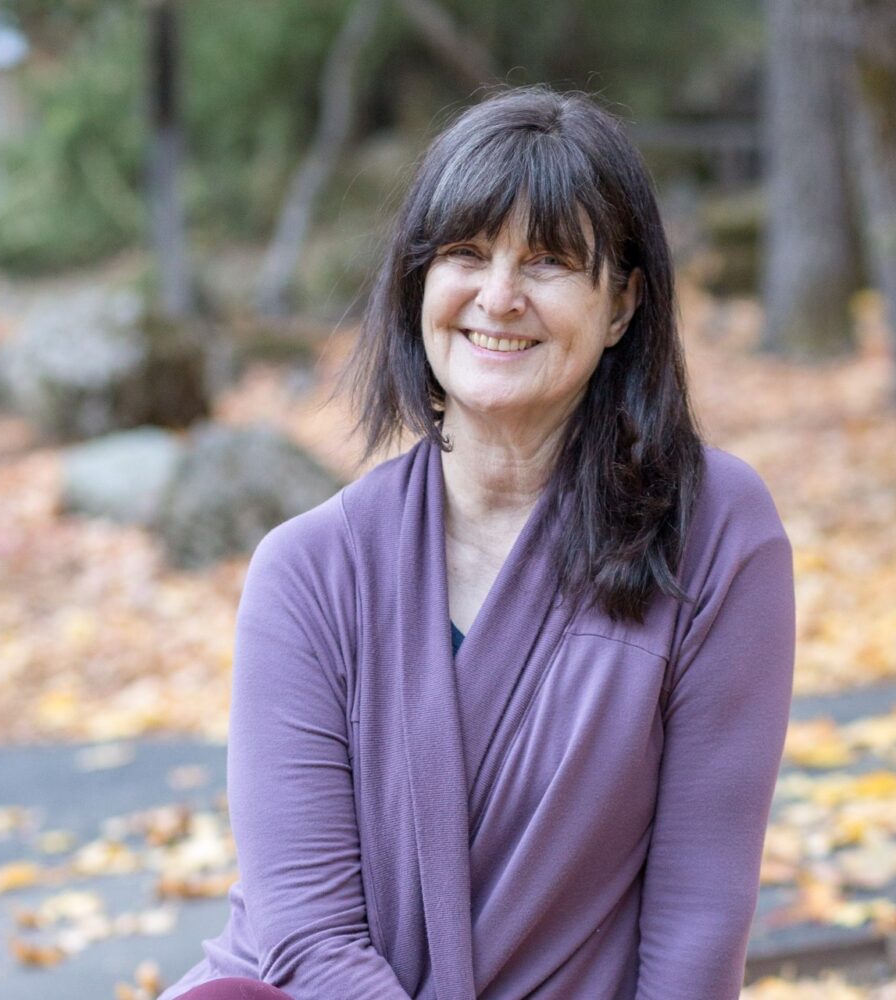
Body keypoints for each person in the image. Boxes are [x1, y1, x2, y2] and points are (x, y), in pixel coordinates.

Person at [161, 86, 795, 1000]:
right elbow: (306, 935)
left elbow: (698, 925)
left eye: (547, 261)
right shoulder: (308, 572)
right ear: (419, 284)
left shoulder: (714, 531)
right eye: (464, 253)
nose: (498, 297)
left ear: (621, 306)